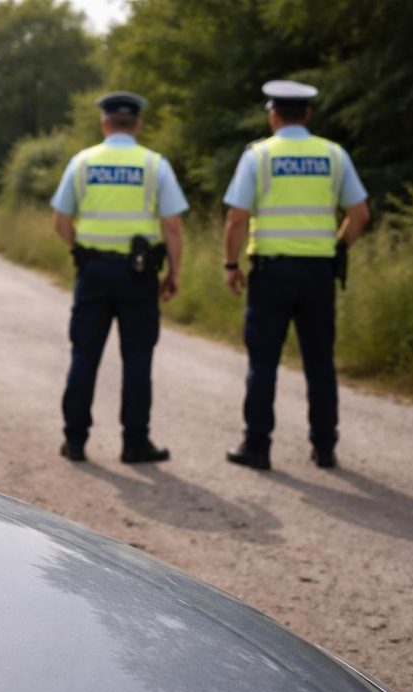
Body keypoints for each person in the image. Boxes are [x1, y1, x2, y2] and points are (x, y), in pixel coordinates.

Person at [222, 80, 370, 470]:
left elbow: (237, 217)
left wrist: (231, 265)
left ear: (273, 115)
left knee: (263, 362)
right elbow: (359, 215)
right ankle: (324, 446)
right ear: (307, 114)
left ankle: (256, 447)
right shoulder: (333, 155)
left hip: (271, 274)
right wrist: (338, 248)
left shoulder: (258, 155)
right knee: (320, 361)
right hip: (319, 273)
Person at [50, 91, 188, 463]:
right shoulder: (154, 165)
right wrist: (174, 272)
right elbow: (173, 226)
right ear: (137, 124)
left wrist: (79, 250)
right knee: (138, 360)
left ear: (105, 123)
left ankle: (75, 440)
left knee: (84, 355)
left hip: (92, 272)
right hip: (139, 276)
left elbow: (60, 221)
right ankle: (135, 443)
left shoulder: (82, 163)